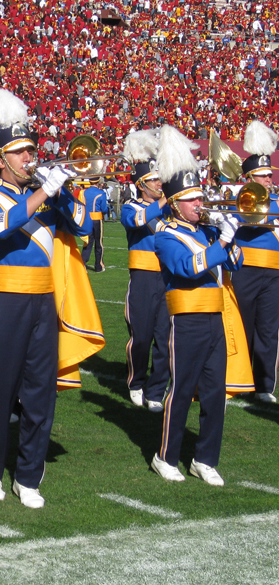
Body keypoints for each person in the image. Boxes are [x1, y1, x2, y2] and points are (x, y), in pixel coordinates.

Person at [0, 87, 91, 508]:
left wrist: (63, 192)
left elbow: (83, 227)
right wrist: (42, 194)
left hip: (43, 303)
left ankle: (28, 475)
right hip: (3, 302)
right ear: (0, 159)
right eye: (20, 153)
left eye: (31, 151)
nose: (29, 159)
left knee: (41, 392)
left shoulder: (47, 197)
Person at [151, 125, 243, 486]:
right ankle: (166, 456)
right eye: (192, 200)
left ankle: (205, 458)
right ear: (174, 203)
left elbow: (234, 262)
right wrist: (220, 242)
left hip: (215, 319)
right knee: (182, 388)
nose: (200, 204)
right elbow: (187, 268)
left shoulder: (206, 230)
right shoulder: (166, 235)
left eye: (200, 198)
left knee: (215, 393)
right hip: (187, 320)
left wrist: (229, 235)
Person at [120, 129, 171, 412]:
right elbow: (137, 220)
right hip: (142, 277)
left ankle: (156, 389)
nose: (160, 183)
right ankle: (136, 382)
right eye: (153, 180)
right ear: (142, 184)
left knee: (165, 337)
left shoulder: (168, 209)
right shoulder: (131, 206)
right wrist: (163, 202)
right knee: (141, 336)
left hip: (167, 277)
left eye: (159, 178)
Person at [230, 120, 279, 403]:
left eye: (269, 174)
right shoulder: (240, 200)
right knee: (242, 326)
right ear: (249, 178)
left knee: (268, 330)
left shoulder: (276, 201)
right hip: (246, 269)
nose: (268, 180)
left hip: (273, 273)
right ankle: (238, 379)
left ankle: (264, 385)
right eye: (262, 176)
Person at [80, 175, 108, 272]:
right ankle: (98, 265)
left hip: (87, 219)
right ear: (98, 182)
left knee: (88, 242)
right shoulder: (101, 193)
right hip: (97, 219)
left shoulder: (83, 192)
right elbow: (104, 208)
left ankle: (82, 263)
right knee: (98, 243)